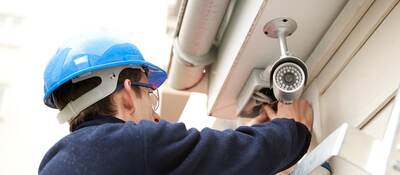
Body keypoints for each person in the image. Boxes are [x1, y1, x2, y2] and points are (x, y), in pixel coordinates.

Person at [38, 34, 313, 175]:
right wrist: (291, 128)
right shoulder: (133, 142)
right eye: (149, 94)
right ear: (126, 95)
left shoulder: (53, 164)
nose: (157, 117)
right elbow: (239, 155)